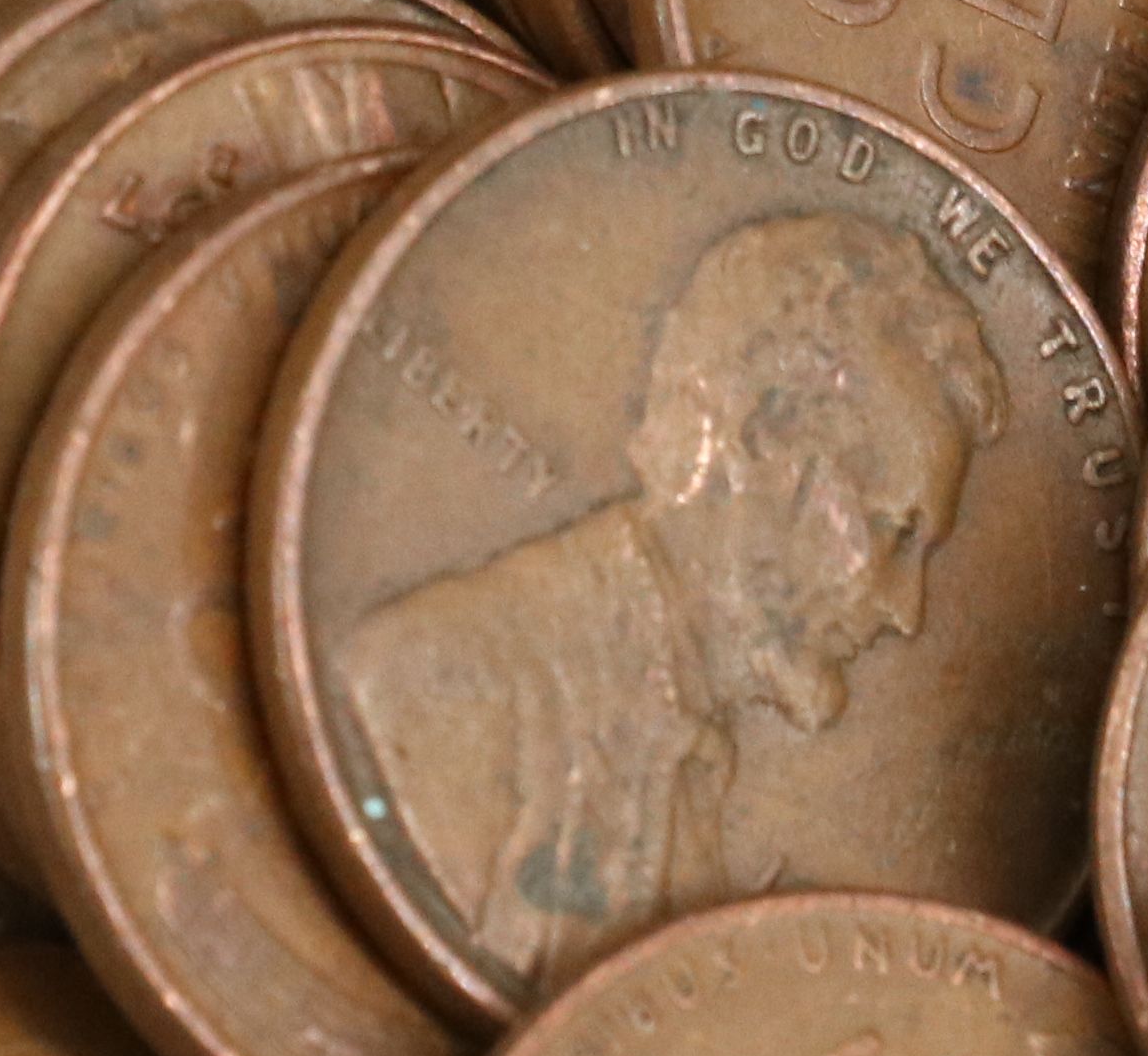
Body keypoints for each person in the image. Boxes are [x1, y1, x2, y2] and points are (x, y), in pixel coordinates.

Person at [339, 214, 1009, 997]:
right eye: (892, 531)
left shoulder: (695, 760)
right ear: (765, 436)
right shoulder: (442, 681)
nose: (907, 610)